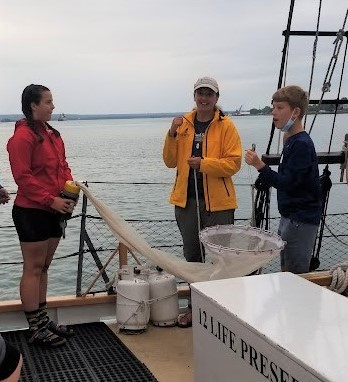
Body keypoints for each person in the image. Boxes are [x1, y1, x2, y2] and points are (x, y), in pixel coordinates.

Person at [163, 77, 242, 327]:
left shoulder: (227, 126)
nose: (204, 98)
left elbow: (234, 163)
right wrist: (172, 134)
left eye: (209, 94)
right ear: (194, 96)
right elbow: (169, 161)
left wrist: (204, 164)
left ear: (217, 98)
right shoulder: (183, 124)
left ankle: (223, 311)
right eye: (200, 93)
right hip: (187, 202)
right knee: (192, 258)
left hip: (218, 205)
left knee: (222, 258)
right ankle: (194, 309)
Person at [7, 84, 76, 347]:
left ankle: (43, 319)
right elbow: (22, 178)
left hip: (54, 209)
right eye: (48, 102)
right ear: (33, 105)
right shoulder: (22, 138)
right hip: (31, 211)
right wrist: (51, 199)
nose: (53, 106)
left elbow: (63, 166)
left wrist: (68, 193)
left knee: (44, 268)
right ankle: (35, 328)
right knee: (33, 268)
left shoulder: (53, 134)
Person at [245, 85, 321, 274]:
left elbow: (288, 184)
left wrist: (259, 165)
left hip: (300, 221)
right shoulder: (294, 141)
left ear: (295, 112)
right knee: (287, 272)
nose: (274, 113)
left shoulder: (301, 145)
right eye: (273, 108)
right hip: (291, 218)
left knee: (294, 276)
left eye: (280, 108)